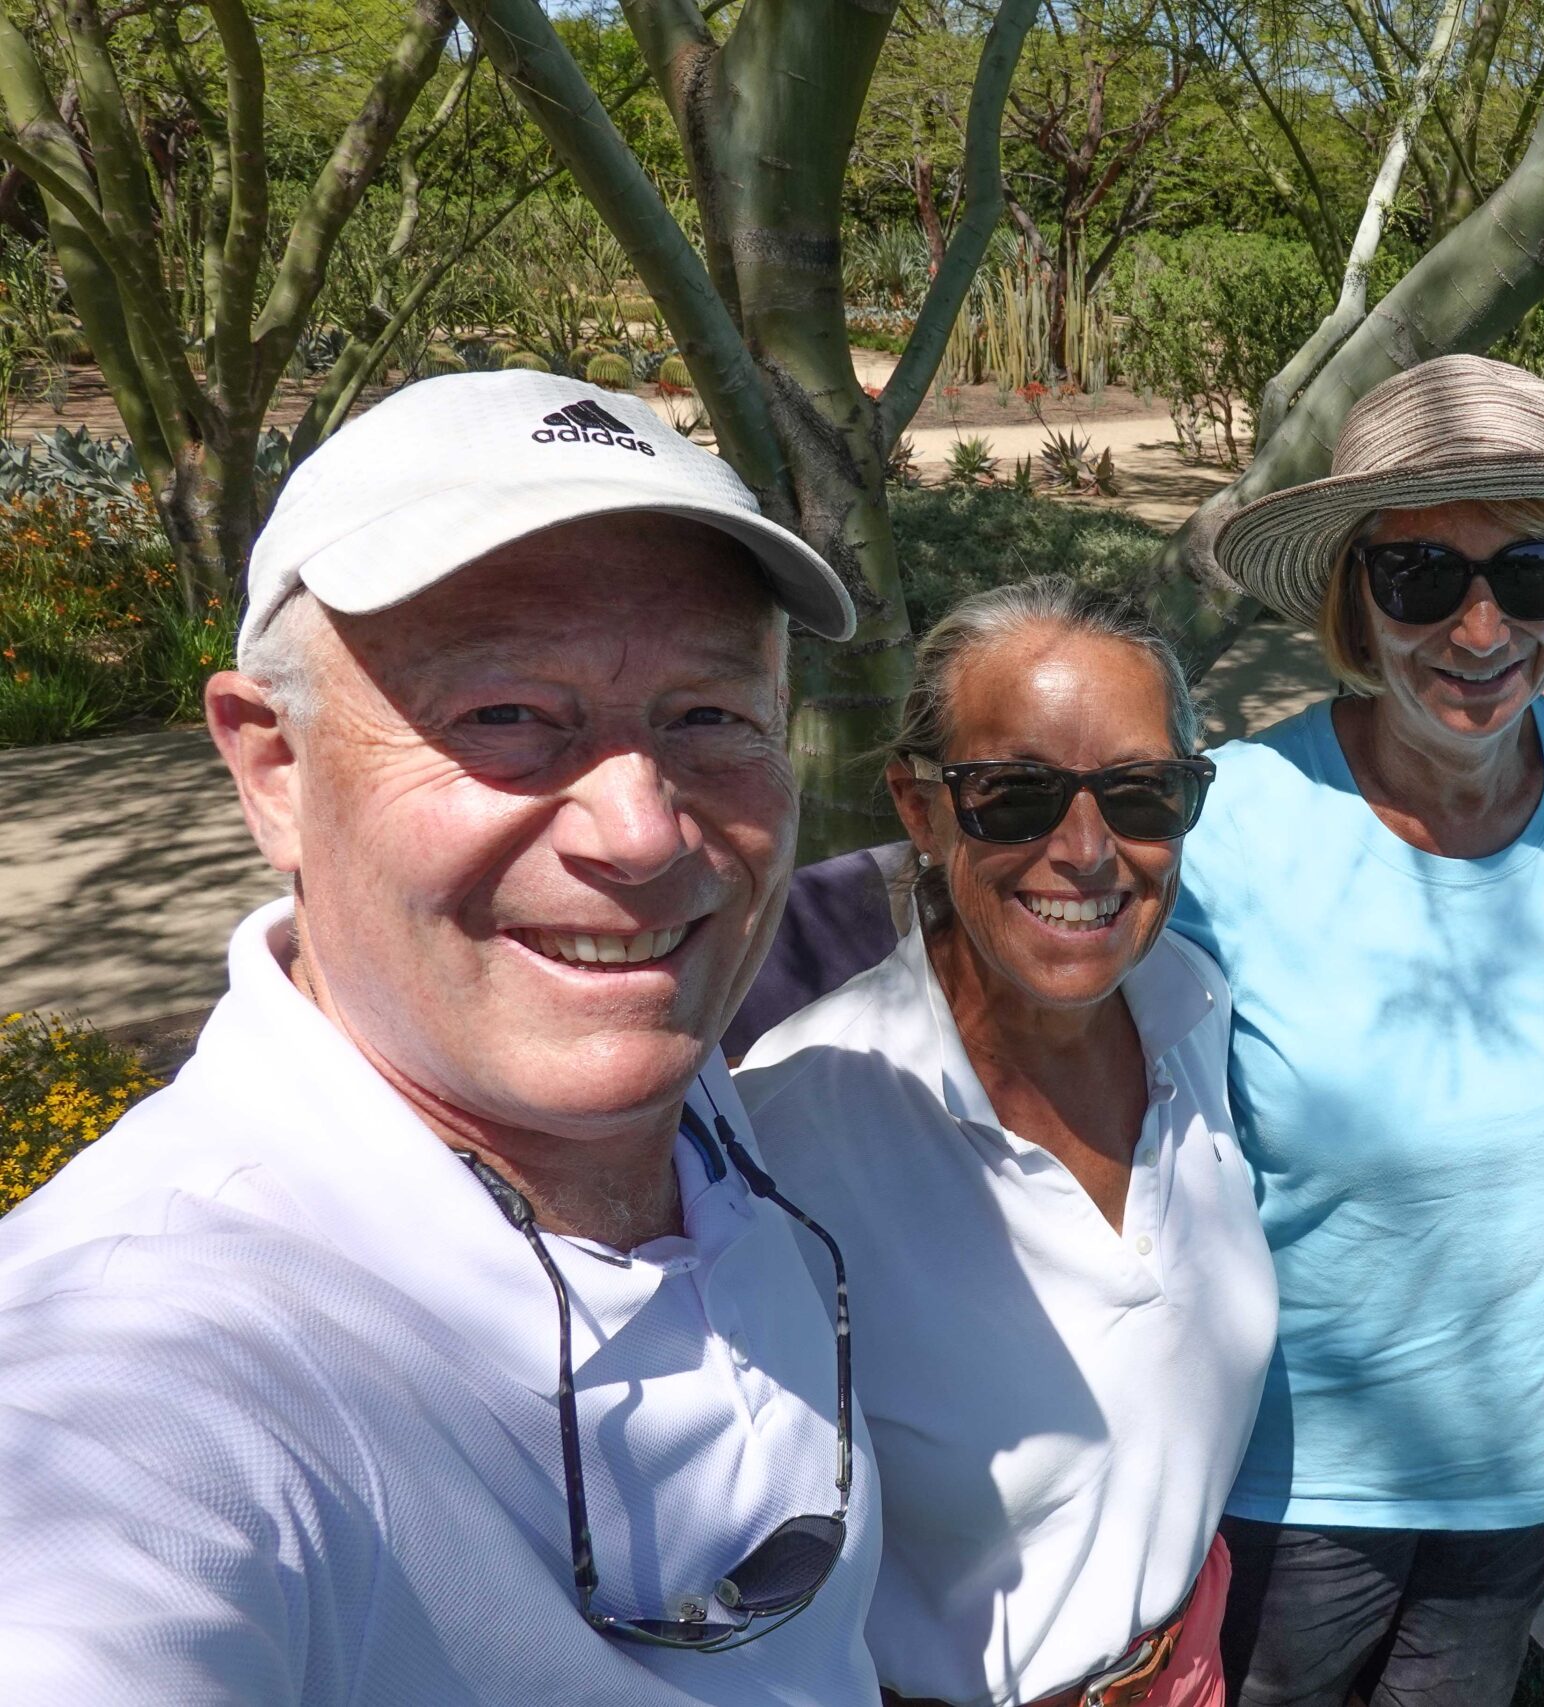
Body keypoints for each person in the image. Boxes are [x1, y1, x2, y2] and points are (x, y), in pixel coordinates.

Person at [0, 372, 885, 1702]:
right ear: (273, 770)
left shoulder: (661, 1080)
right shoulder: (135, 1373)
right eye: (506, 716)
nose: (642, 834)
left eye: (709, 715)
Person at [1175, 354, 1544, 1707]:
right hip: (1283, 1491)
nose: (1481, 630)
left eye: (1531, 573)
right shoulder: (1231, 816)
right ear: (1354, 598)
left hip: (1524, 1479)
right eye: (1421, 576)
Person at [736, 579, 1277, 1707]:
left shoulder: (1190, 1006)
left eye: (1141, 793)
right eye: (1013, 795)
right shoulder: (791, 1132)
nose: (1086, 849)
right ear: (921, 809)